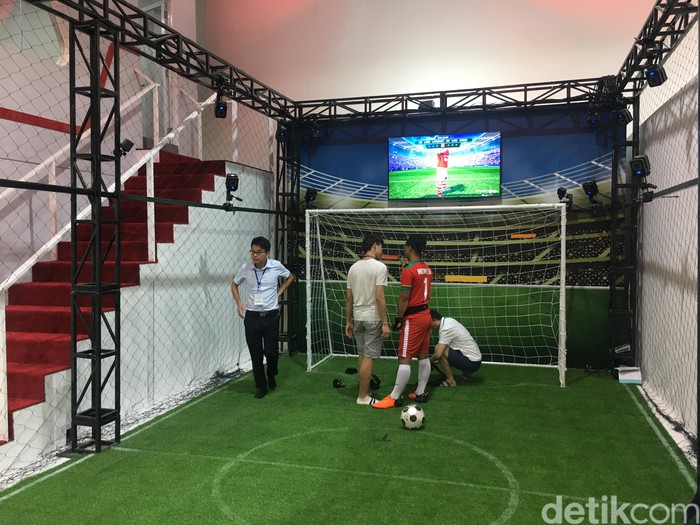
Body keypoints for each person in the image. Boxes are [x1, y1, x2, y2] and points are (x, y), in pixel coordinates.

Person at [372, 234, 433, 409]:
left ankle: (395, 397)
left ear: (410, 248)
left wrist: (399, 318)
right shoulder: (426, 268)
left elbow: (404, 297)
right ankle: (420, 392)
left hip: (413, 318)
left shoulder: (409, 270)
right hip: (426, 315)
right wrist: (406, 268)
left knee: (404, 358)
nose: (404, 249)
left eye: (405, 247)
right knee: (423, 355)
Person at [231, 236, 295, 398]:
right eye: (252, 252)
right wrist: (239, 303)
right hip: (251, 318)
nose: (255, 255)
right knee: (256, 354)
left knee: (271, 352)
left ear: (267, 253)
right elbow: (234, 284)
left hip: (271, 317)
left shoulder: (276, 266)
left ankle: (272, 373)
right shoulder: (246, 268)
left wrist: (279, 293)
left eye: (259, 252)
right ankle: (261, 385)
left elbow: (290, 277)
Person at [345, 234, 391, 405]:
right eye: (381, 247)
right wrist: (385, 323)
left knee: (362, 354)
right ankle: (363, 396)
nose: (382, 251)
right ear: (375, 245)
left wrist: (348, 321)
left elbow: (349, 298)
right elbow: (379, 297)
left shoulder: (353, 268)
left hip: (358, 317)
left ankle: (365, 390)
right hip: (373, 317)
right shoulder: (380, 267)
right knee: (369, 357)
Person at [428, 309, 482, 387]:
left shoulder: (446, 329)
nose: (429, 326)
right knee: (443, 349)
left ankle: (450, 381)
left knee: (438, 350)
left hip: (471, 363)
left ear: (434, 320)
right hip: (476, 360)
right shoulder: (449, 321)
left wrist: (429, 361)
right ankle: (467, 374)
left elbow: (438, 354)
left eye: (429, 323)